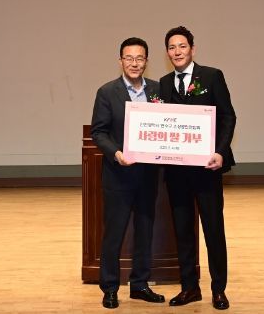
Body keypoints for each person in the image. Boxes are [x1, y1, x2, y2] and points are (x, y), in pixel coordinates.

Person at [159, 26, 236, 310]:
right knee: (182, 232)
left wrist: (220, 151)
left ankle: (219, 289)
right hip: (177, 172)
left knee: (213, 230)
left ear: (192, 48)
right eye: (171, 47)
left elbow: (228, 116)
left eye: (182, 46)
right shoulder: (163, 83)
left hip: (207, 168)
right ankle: (190, 287)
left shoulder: (212, 76)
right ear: (167, 53)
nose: (177, 51)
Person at [90, 37, 166, 309]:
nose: (134, 63)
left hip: (148, 175)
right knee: (114, 234)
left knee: (145, 231)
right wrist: (116, 153)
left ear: (147, 61)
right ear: (120, 60)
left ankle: (140, 285)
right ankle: (110, 288)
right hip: (118, 176)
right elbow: (98, 132)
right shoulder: (106, 92)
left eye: (140, 58)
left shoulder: (158, 90)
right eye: (129, 58)